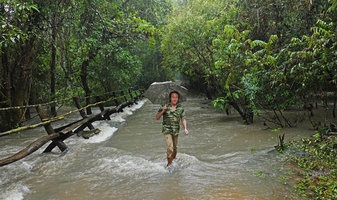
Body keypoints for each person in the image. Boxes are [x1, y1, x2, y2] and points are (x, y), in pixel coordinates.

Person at [155, 91, 189, 167]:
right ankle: (169, 165)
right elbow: (157, 117)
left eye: (176, 97)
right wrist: (163, 110)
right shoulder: (165, 106)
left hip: (176, 130)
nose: (174, 99)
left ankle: (172, 160)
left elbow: (183, 119)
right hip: (167, 130)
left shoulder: (180, 108)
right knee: (170, 148)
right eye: (173, 97)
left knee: (175, 149)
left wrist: (185, 128)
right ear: (170, 98)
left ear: (178, 99)